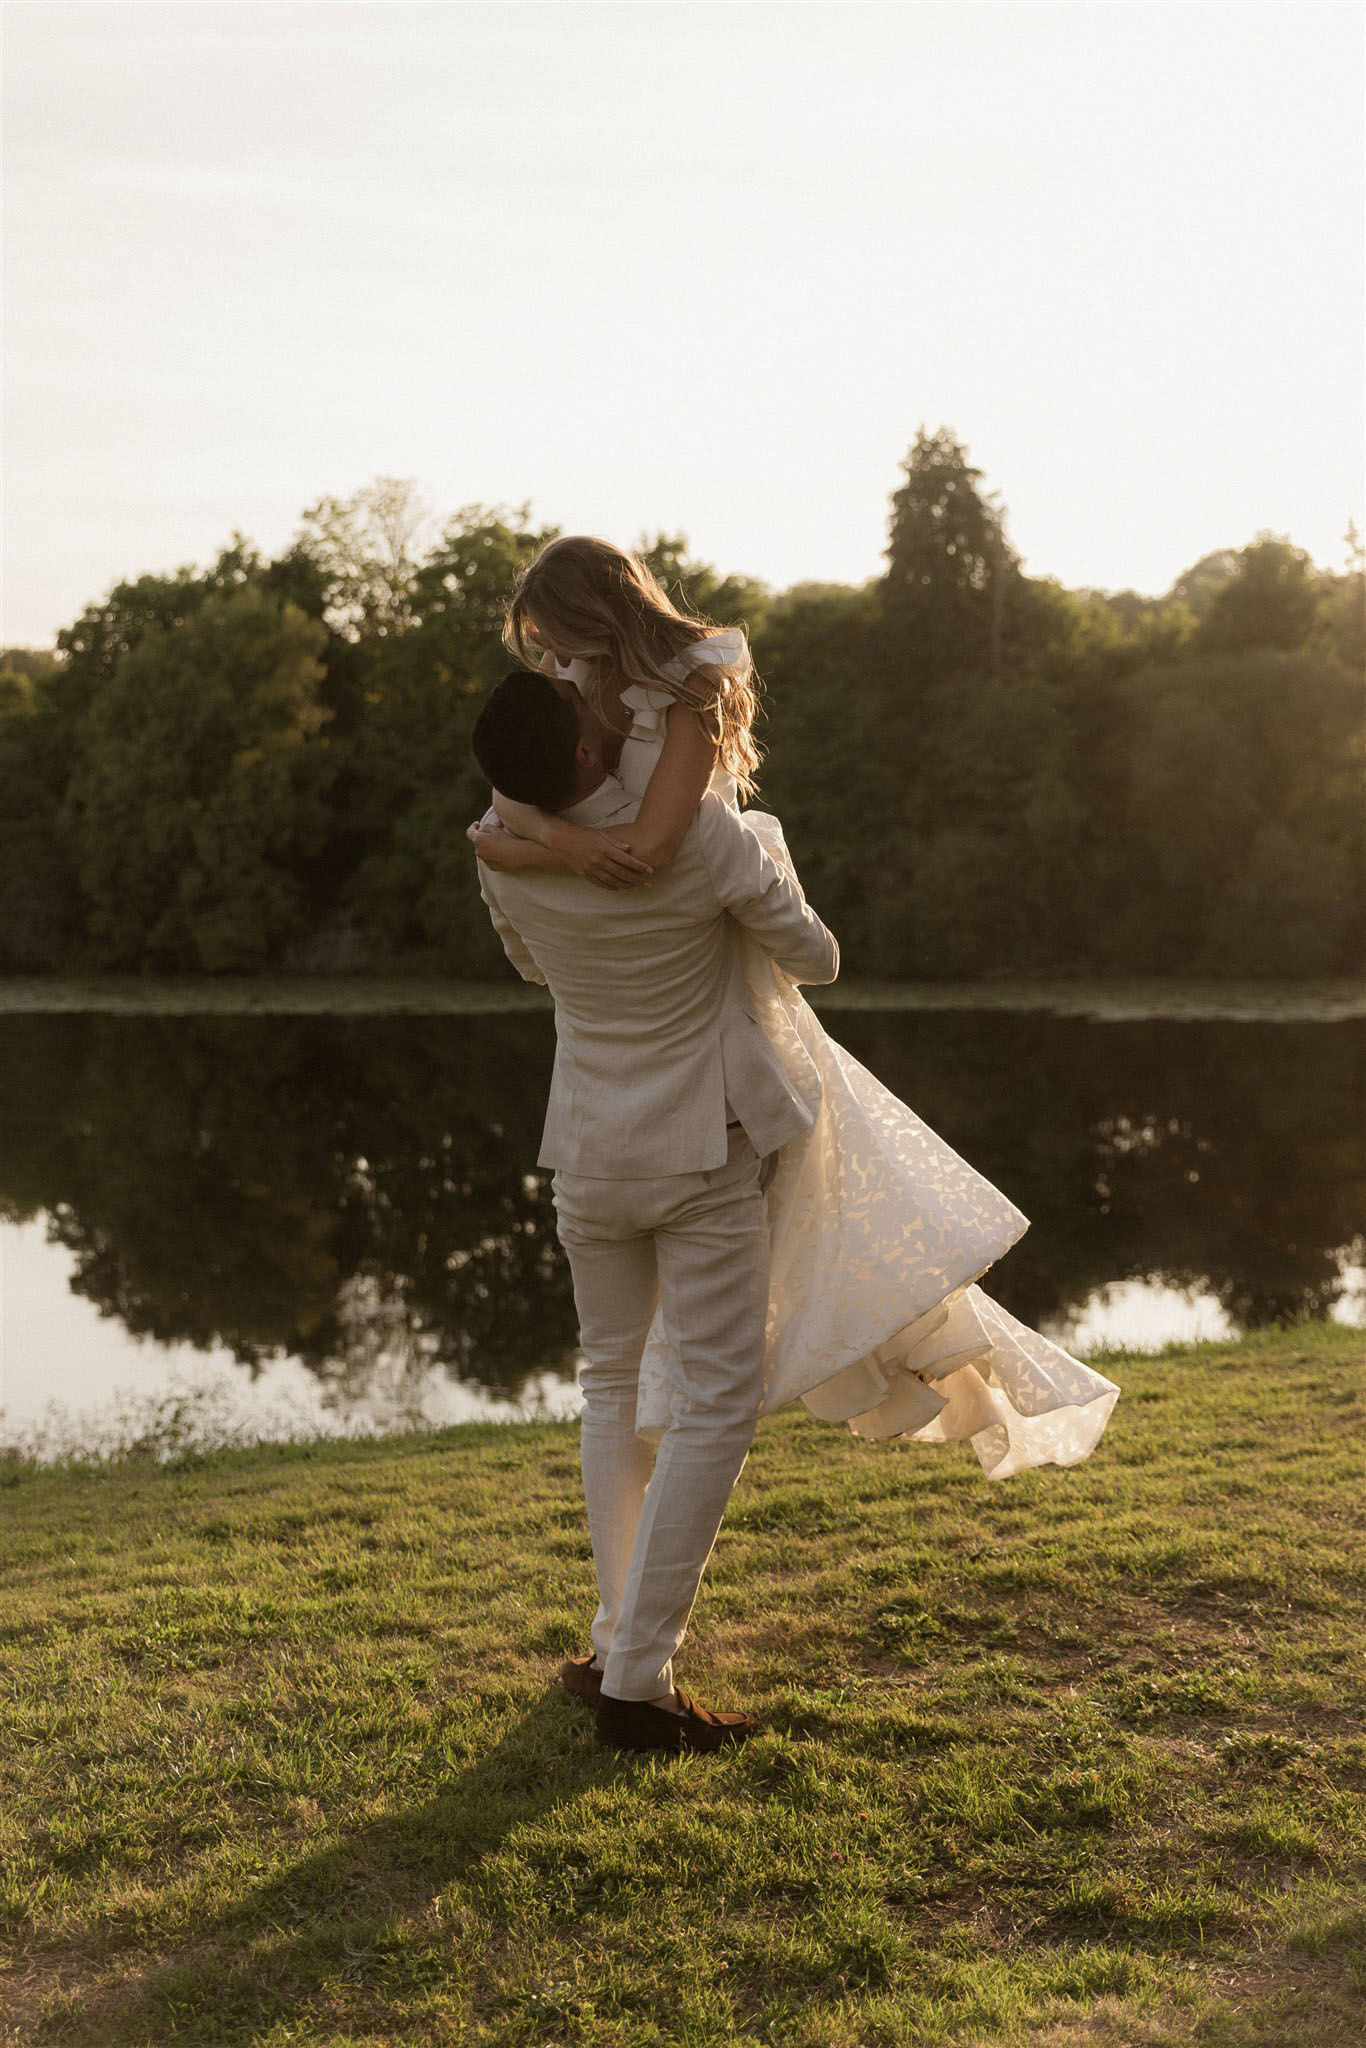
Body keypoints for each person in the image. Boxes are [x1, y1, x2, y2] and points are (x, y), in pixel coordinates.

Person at [469, 536, 1120, 1481]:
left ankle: (674, 1528)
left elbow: (650, 846)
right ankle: (671, 1516)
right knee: (713, 1300)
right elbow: (518, 777)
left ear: (600, 611)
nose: (548, 661)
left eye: (556, 636)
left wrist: (544, 844)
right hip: (686, 952)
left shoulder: (690, 680)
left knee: (778, 1237)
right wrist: (529, 825)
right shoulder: (572, 688)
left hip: (697, 919)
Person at [470, 663, 840, 1755]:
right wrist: (757, 850)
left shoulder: (505, 855)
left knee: (609, 1383)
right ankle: (635, 1679)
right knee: (716, 1404)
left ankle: (614, 1641)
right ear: (586, 755)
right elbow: (816, 957)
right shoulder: (706, 837)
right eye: (590, 708)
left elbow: (533, 966)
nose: (606, 704)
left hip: (587, 1151)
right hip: (698, 1155)